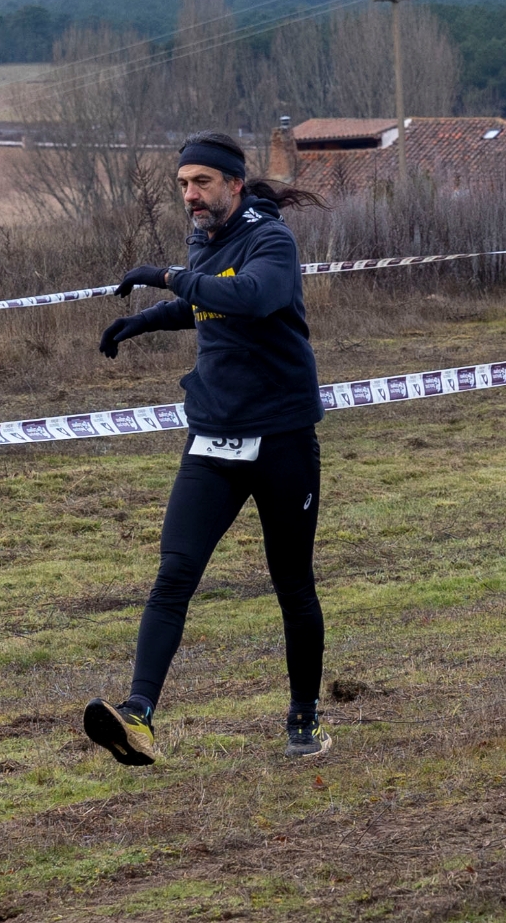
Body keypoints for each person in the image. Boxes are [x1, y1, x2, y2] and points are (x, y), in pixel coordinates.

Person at [85, 131, 333, 765]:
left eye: (202, 182)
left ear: (234, 185)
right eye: (183, 185)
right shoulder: (205, 239)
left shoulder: (271, 240)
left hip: (280, 437)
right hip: (214, 434)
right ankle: (137, 716)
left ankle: (303, 720)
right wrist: (141, 321)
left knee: (292, 584)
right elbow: (205, 304)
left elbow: (250, 297)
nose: (190, 195)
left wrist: (168, 277)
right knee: (174, 574)